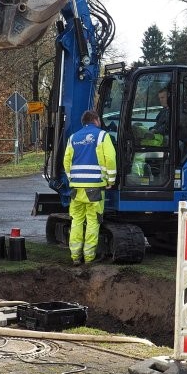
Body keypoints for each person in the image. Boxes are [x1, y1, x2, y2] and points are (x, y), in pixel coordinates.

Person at [63, 110, 117, 265]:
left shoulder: (73, 138)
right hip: (95, 187)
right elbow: (110, 159)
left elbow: (66, 161)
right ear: (96, 120)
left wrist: (72, 179)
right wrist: (111, 180)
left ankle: (75, 256)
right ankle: (89, 258)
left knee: (77, 220)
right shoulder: (102, 136)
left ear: (83, 122)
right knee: (93, 221)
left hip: (76, 188)